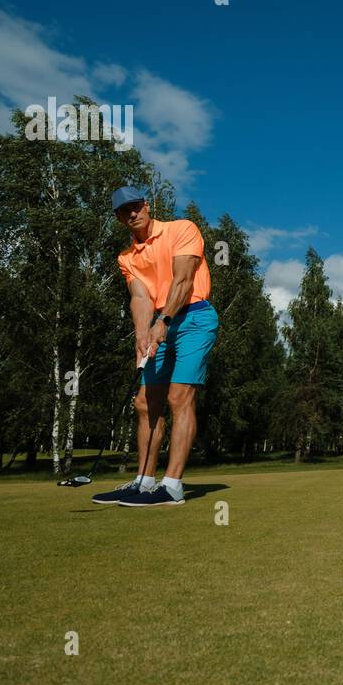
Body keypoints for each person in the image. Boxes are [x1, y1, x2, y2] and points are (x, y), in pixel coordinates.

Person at [91, 187, 219, 508]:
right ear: (119, 219)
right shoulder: (126, 258)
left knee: (179, 396)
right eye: (124, 211)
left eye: (136, 206)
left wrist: (164, 320)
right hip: (159, 324)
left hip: (194, 318)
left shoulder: (181, 229)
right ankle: (144, 482)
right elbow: (139, 297)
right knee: (145, 404)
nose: (132, 213)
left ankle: (173, 486)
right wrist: (142, 335)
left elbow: (184, 280)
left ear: (147, 205)